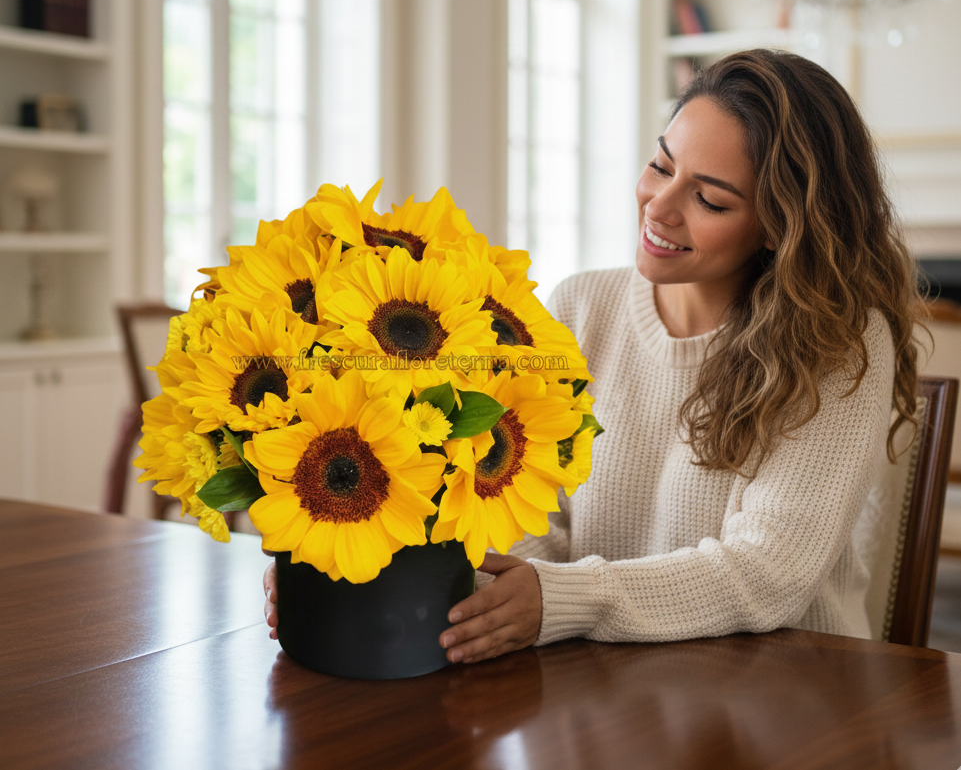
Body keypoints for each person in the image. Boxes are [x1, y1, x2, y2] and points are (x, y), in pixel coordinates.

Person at [264, 49, 922, 666]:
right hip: (596, 676)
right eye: (661, 166)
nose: (659, 206)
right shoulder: (580, 307)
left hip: (788, 687)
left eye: (710, 199)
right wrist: (343, 566)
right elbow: (525, 517)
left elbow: (766, 572)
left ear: (783, 225)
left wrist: (564, 598)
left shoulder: (838, 343)